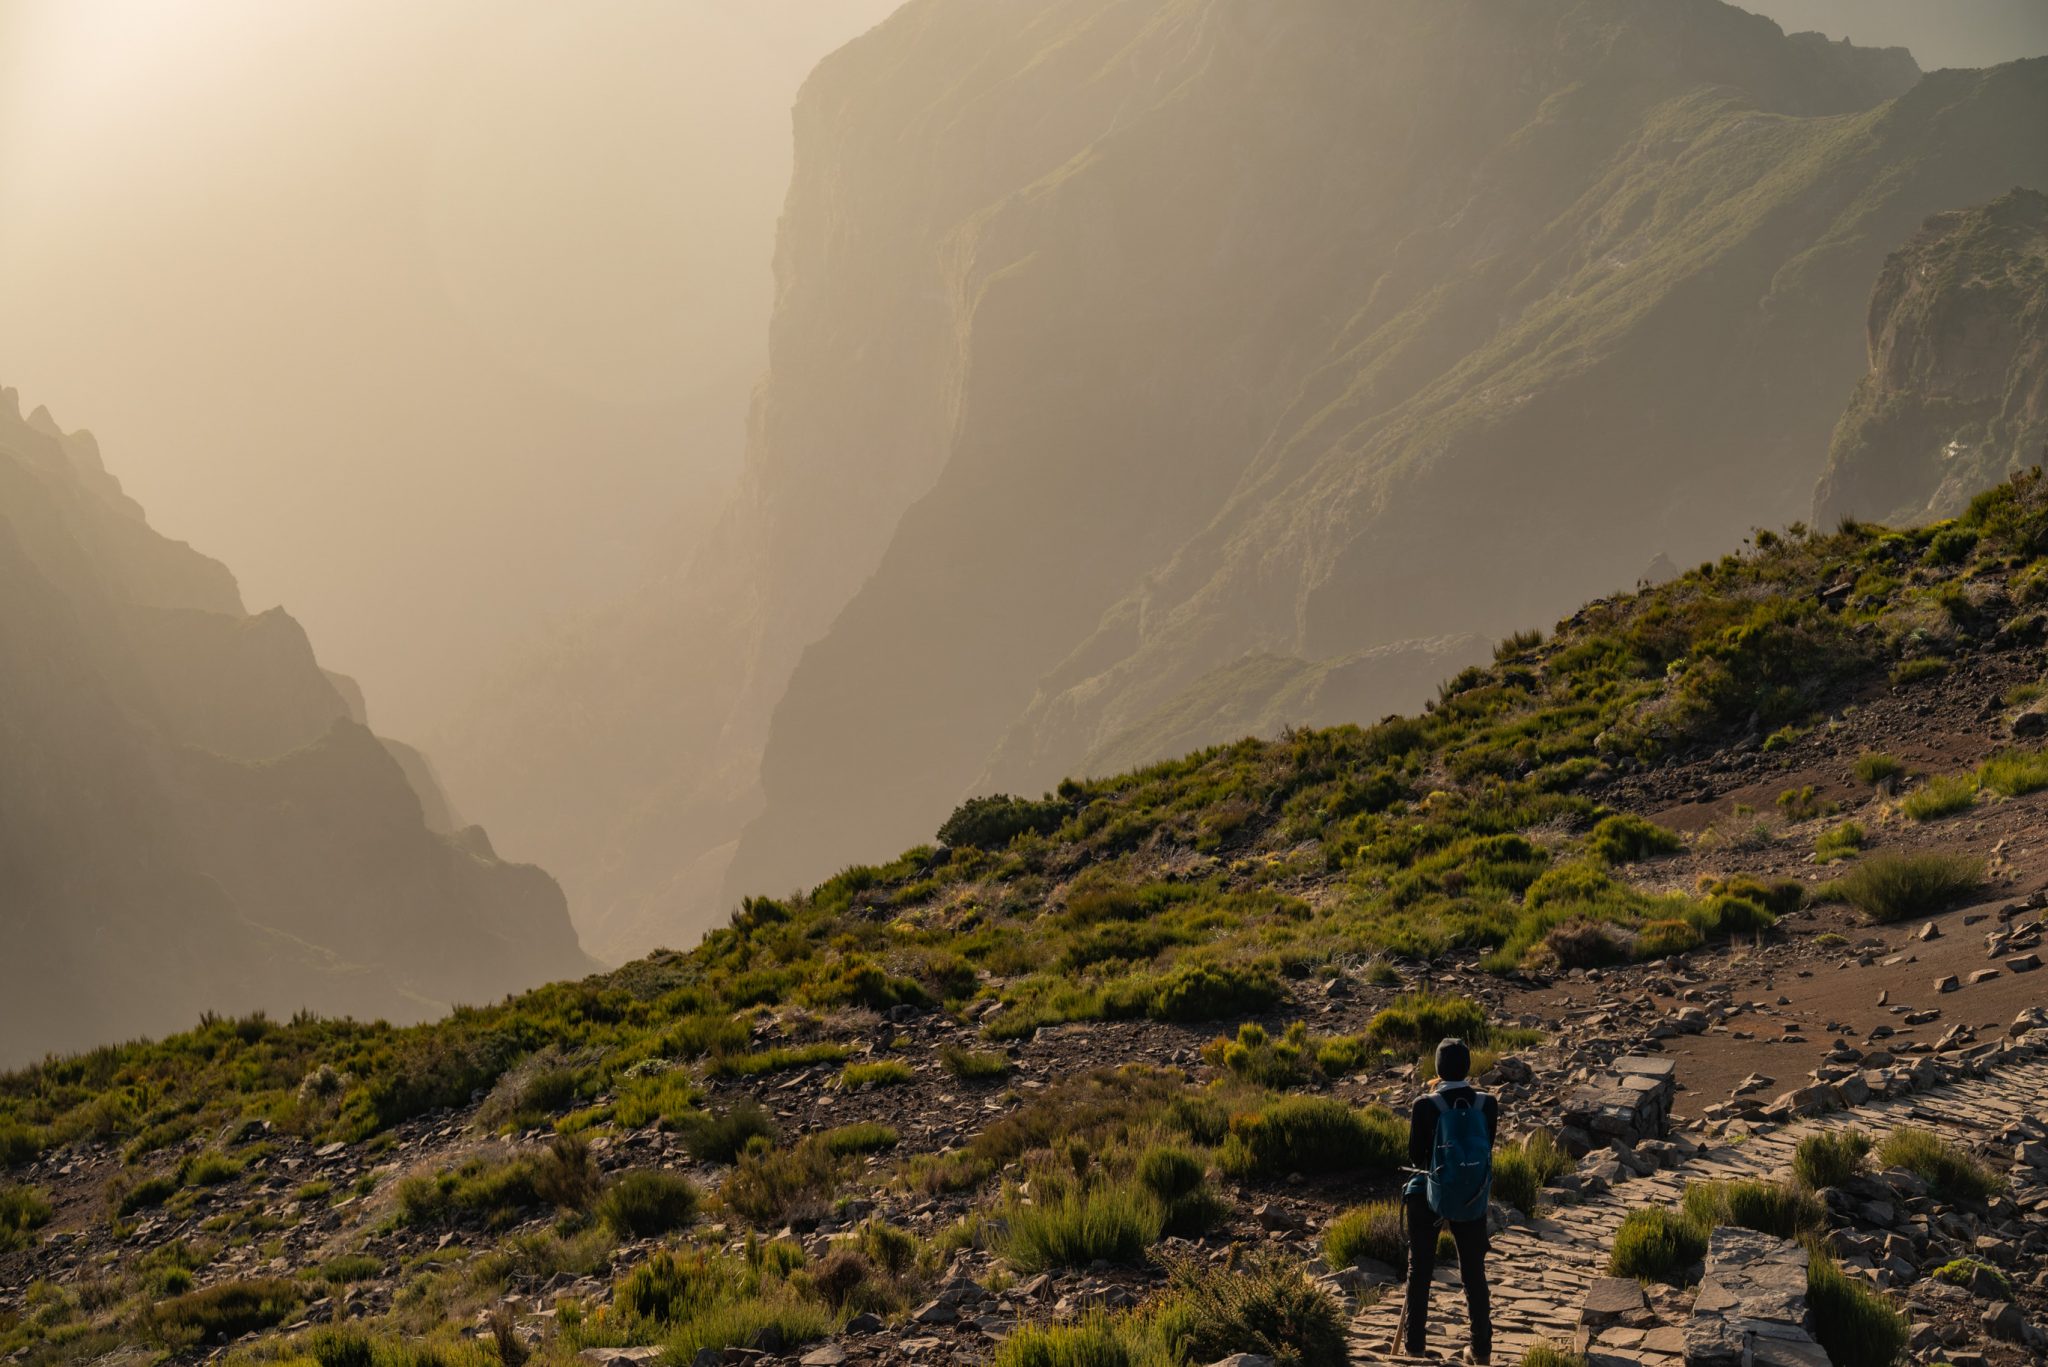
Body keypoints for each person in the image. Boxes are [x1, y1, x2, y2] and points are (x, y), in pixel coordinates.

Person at [1403, 1036, 1499, 1364]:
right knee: (1474, 1272)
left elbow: (1416, 1156)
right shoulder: (1487, 1104)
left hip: (1428, 1194)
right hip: (1471, 1195)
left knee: (1420, 1270)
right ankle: (1480, 1350)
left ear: (1438, 1067)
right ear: (1468, 1066)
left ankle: (1414, 1347)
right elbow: (1487, 1147)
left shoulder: (1425, 1105)